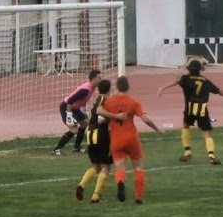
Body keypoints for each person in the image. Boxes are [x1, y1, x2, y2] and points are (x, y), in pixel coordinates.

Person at [101, 75, 163, 204]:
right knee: (138, 167)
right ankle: (138, 197)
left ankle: (120, 182)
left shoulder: (108, 102)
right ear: (128, 87)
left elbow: (102, 118)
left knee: (120, 168)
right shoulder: (133, 102)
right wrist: (157, 129)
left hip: (116, 139)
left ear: (117, 86)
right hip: (131, 138)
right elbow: (145, 119)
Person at [169, 59, 223, 164]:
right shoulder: (205, 81)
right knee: (207, 133)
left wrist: (162, 88)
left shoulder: (185, 78)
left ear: (189, 69)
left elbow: (176, 81)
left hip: (190, 109)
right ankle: (211, 155)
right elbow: (220, 91)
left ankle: (187, 152)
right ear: (199, 69)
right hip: (202, 110)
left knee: (185, 126)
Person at [75, 78, 115, 202]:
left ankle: (82, 184)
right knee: (105, 168)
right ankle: (96, 196)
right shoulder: (105, 100)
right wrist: (115, 117)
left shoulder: (97, 99)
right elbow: (101, 119)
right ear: (109, 89)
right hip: (100, 134)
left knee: (96, 166)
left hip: (90, 134)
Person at [52, 69, 101, 155]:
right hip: (67, 107)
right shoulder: (85, 89)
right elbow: (70, 100)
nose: (100, 80)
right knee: (74, 129)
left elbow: (83, 99)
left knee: (84, 124)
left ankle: (77, 147)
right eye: (99, 78)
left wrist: (84, 109)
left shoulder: (91, 88)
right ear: (93, 79)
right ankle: (56, 149)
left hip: (74, 108)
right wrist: (69, 115)